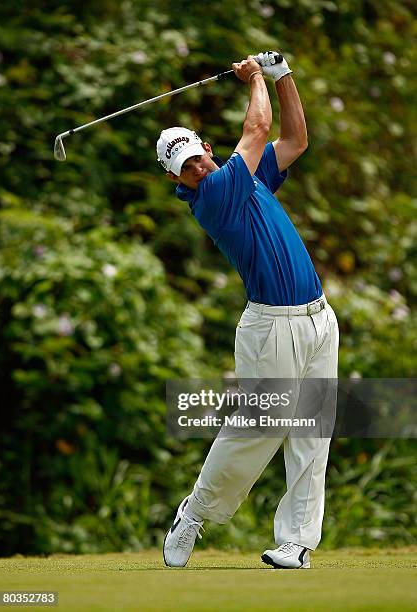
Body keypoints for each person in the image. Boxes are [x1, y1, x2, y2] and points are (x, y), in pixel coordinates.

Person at [156, 51, 339, 569]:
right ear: (181, 181)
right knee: (261, 426)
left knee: (312, 433)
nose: (196, 168)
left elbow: (295, 139)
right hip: (271, 327)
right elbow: (258, 128)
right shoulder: (214, 194)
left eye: (195, 157)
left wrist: (284, 78)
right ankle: (194, 512)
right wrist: (256, 76)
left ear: (205, 148)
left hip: (319, 320)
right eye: (185, 169)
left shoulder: (248, 178)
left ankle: (296, 542)